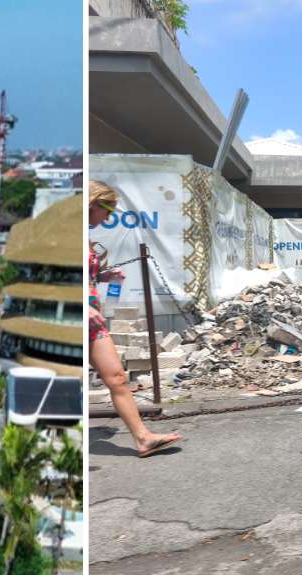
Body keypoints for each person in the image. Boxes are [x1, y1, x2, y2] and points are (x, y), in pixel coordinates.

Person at [88, 180, 182, 458]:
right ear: (93, 204)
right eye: (107, 210)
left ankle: (143, 438)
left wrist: (103, 276)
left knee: (116, 377)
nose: (108, 218)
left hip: (92, 321)